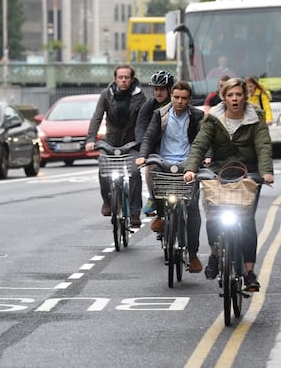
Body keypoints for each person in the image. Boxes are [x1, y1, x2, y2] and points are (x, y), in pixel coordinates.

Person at [182, 78, 274, 292]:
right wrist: (191, 169)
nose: (235, 99)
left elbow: (263, 145)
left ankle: (250, 272)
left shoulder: (256, 117)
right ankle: (215, 253)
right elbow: (199, 144)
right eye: (230, 95)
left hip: (248, 174)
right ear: (224, 97)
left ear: (245, 96)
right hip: (219, 173)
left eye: (238, 95)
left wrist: (266, 171)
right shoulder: (213, 119)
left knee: (247, 221)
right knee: (214, 215)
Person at [136, 81, 205, 272]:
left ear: (189, 100)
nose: (179, 101)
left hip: (188, 166)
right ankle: (161, 216)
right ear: (171, 97)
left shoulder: (197, 116)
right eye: (176, 97)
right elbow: (149, 137)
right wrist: (143, 155)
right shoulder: (160, 114)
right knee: (157, 186)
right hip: (164, 163)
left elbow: (204, 139)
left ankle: (192, 255)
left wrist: (206, 159)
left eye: (184, 98)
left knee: (192, 208)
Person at [85, 65, 146, 227]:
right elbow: (96, 117)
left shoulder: (140, 97)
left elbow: (142, 122)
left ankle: (134, 213)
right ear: (115, 79)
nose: (123, 80)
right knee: (104, 170)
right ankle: (107, 200)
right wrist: (91, 139)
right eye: (120, 77)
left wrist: (141, 143)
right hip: (110, 141)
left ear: (132, 79)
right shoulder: (106, 95)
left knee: (134, 173)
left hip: (132, 141)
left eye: (127, 77)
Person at [135, 70, 174, 216]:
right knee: (151, 167)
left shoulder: (176, 103)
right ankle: (152, 197)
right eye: (156, 89)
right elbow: (141, 127)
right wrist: (143, 149)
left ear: (170, 89)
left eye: (162, 89)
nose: (158, 93)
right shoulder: (149, 106)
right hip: (156, 145)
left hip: (176, 146)